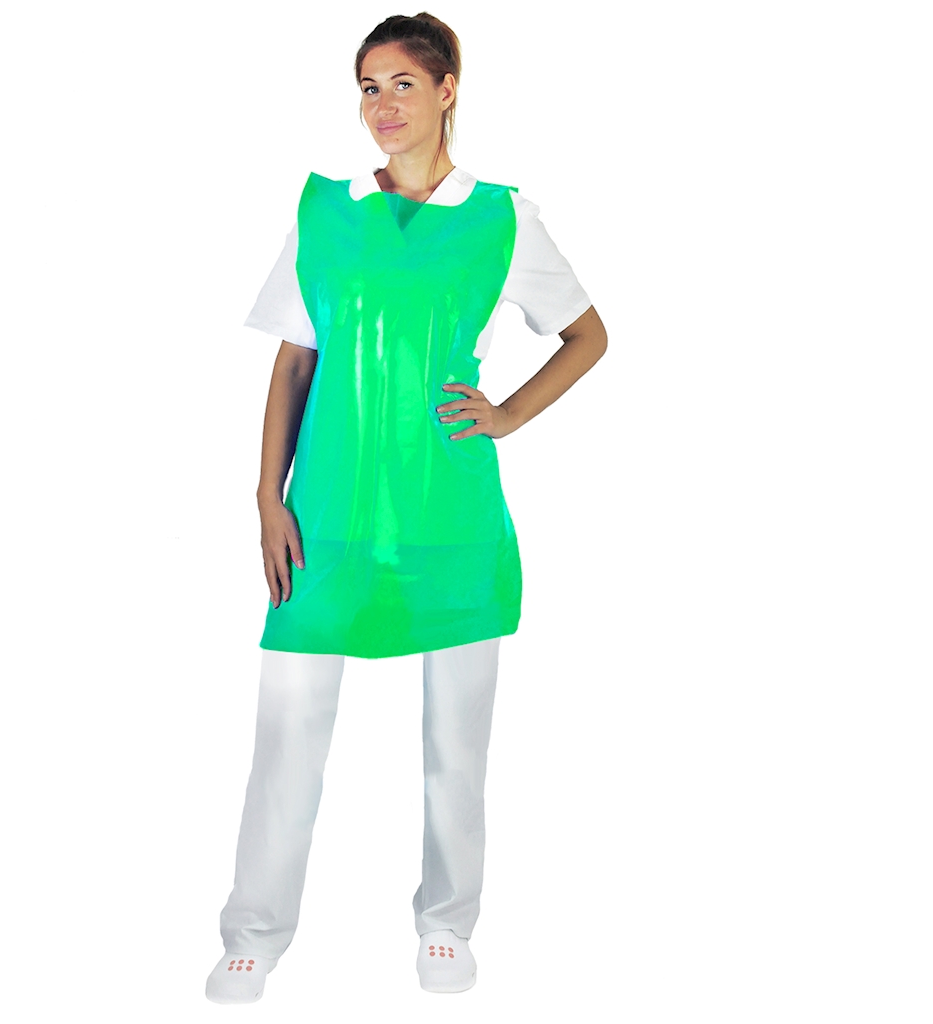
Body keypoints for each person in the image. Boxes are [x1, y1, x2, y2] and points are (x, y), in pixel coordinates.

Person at [206, 11, 607, 1004]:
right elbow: (294, 363)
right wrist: (266, 497)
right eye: (367, 87)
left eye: (401, 84)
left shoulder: (501, 218)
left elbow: (588, 335)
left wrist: (506, 414)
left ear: (446, 90)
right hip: (325, 519)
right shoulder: (326, 212)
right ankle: (254, 931)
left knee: (455, 746)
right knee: (288, 730)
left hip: (449, 519)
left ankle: (446, 926)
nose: (381, 105)